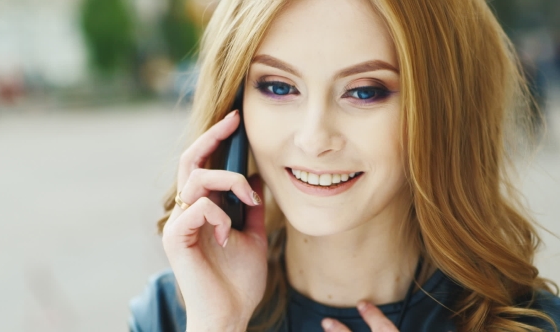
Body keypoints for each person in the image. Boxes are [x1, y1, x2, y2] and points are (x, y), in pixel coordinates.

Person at [130, 0, 560, 331]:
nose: (314, 139)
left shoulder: (535, 323)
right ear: (235, 106)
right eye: (278, 87)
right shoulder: (172, 314)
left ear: (445, 112)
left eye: (365, 92)